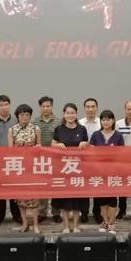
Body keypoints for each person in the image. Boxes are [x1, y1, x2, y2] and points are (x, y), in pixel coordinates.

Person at [52, 103, 89, 233]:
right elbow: (52, 144)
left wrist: (85, 143)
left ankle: (76, 226)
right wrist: (58, 145)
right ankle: (66, 226)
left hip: (78, 169)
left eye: (72, 113)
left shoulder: (82, 129)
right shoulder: (59, 129)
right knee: (65, 200)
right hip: (64, 169)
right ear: (64, 114)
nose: (70, 115)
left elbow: (87, 144)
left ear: (76, 114)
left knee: (77, 200)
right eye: (67, 113)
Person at [0, 95, 21, 225]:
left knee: (14, 189)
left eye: (6, 104)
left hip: (14, 162)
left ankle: (16, 214)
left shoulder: (17, 122)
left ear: (9, 105)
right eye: (1, 105)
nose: (4, 107)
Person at [8, 103, 42, 234]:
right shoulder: (12, 130)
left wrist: (37, 149)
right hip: (19, 168)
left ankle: (35, 224)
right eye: (22, 114)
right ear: (17, 116)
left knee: (34, 198)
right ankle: (25, 223)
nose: (24, 117)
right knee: (21, 198)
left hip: (33, 167)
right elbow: (10, 150)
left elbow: (39, 147)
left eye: (27, 114)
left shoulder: (36, 129)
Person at [89, 109, 124, 233]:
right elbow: (91, 153)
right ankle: (105, 222)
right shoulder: (95, 135)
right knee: (102, 199)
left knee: (112, 199)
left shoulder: (118, 136)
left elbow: (122, 154)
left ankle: (111, 223)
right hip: (99, 172)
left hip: (114, 172)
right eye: (103, 119)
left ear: (113, 120)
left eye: (108, 119)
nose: (106, 122)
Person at [33, 96, 63, 223]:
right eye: (43, 106)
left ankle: (56, 212)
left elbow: (61, 139)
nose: (46, 108)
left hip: (56, 159)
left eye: (48, 106)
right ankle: (42, 211)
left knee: (56, 186)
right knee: (42, 186)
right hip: (40, 160)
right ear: (40, 107)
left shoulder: (59, 121)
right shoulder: (35, 122)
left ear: (52, 106)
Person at [79, 97, 102, 223]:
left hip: (98, 160)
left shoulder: (101, 123)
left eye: (93, 106)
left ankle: (97, 212)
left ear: (96, 108)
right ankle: (84, 212)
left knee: (97, 185)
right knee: (84, 187)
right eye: (88, 107)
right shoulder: (79, 123)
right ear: (84, 108)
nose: (90, 109)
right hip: (82, 161)